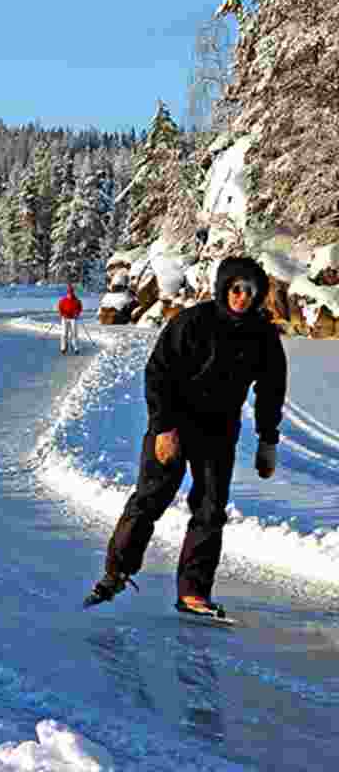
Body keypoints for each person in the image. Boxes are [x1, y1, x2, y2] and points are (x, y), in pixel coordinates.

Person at [84, 256, 287, 619]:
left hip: (219, 431)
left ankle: (193, 591)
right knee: (150, 498)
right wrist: (163, 428)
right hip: (174, 422)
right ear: (225, 288)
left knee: (210, 510)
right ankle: (116, 573)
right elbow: (157, 374)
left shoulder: (263, 336)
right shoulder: (193, 322)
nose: (241, 297)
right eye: (236, 288)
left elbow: (271, 390)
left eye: (249, 291)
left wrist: (267, 440)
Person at [57, 283, 83, 354]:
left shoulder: (77, 300)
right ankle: (63, 347)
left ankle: (75, 346)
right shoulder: (63, 300)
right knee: (64, 333)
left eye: (71, 292)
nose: (70, 294)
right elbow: (60, 308)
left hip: (73, 318)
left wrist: (77, 313)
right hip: (65, 318)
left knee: (74, 333)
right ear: (67, 293)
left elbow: (80, 308)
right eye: (68, 293)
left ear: (73, 292)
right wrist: (62, 314)